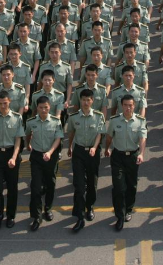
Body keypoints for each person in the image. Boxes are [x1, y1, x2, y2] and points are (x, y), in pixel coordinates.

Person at [104, 94, 147, 231]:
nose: (128, 108)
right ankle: (120, 216)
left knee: (131, 185)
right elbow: (109, 136)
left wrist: (141, 153)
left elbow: (142, 139)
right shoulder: (115, 120)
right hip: (118, 156)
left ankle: (128, 209)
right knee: (118, 187)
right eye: (125, 105)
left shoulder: (140, 121)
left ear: (134, 106)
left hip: (132, 156)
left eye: (130, 105)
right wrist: (106, 149)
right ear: (121, 106)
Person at [66, 89, 106, 232]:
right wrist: (70, 147)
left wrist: (95, 148)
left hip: (92, 153)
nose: (85, 102)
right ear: (80, 101)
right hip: (78, 152)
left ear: (92, 101)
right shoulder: (74, 117)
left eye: (88, 100)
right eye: (83, 99)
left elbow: (99, 134)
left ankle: (90, 207)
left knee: (91, 182)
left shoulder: (99, 116)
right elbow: (71, 132)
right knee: (79, 185)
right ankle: (79, 215)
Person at [0, 90, 25, 230]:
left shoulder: (17, 118)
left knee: (12, 188)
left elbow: (18, 139)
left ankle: (11, 216)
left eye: (5, 103)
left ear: (10, 102)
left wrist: (14, 157)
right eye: (0, 103)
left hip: (11, 154)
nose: (2, 106)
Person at [24, 95, 64, 231]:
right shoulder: (31, 122)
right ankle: (36, 216)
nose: (43, 110)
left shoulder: (55, 122)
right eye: (40, 108)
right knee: (35, 187)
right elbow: (27, 134)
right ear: (37, 108)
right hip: (36, 156)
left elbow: (58, 139)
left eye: (46, 107)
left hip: (50, 156)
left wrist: (50, 152)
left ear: (49, 107)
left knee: (50, 184)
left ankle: (48, 208)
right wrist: (28, 145)